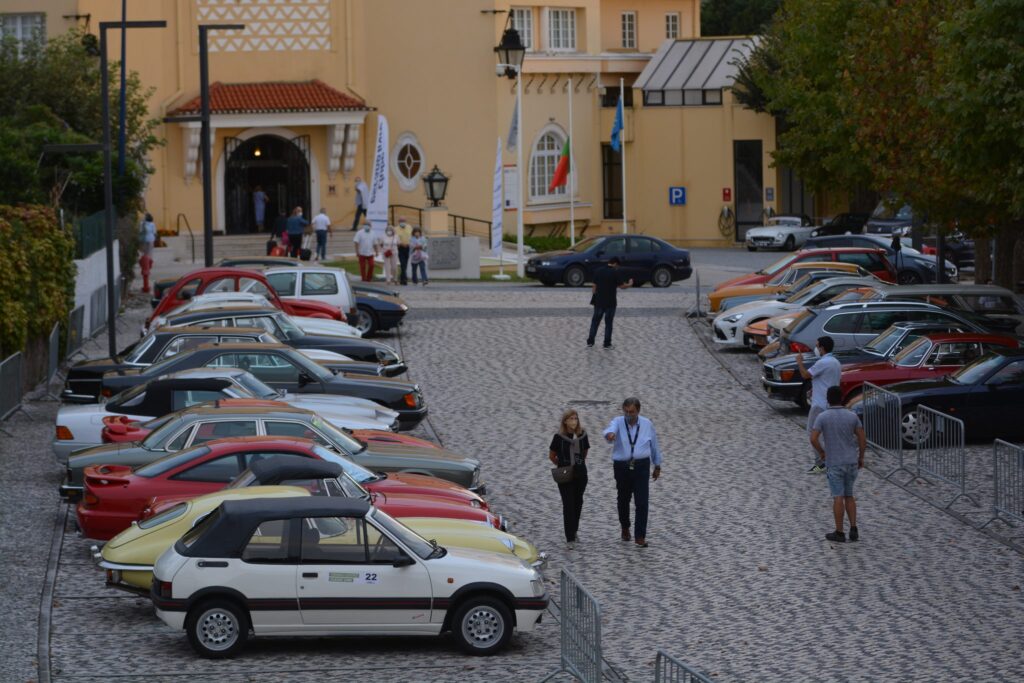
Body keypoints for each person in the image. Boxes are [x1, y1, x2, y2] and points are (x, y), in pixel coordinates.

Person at [603, 397, 662, 548]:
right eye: (626, 411)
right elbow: (609, 430)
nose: (629, 415)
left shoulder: (647, 424)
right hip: (622, 466)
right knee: (623, 499)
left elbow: (654, 444)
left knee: (642, 502)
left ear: (638, 411)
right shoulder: (618, 421)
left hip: (641, 466)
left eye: (632, 412)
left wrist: (657, 465)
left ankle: (640, 536)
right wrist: (610, 435)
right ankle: (625, 527)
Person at [810, 386, 866, 543]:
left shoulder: (822, 417)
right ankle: (853, 528)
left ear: (828, 399)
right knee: (849, 495)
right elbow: (862, 439)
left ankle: (839, 532)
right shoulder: (852, 416)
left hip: (834, 462)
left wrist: (822, 453)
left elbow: (813, 438)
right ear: (842, 398)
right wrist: (861, 457)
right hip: (851, 461)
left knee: (837, 497)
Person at [796, 335, 841, 474]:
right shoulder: (835, 362)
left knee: (813, 433)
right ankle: (831, 460)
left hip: (819, 405)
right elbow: (826, 380)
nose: (816, 349)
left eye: (817, 346)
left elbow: (805, 375)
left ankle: (821, 462)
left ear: (822, 348)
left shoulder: (823, 362)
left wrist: (799, 362)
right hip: (831, 403)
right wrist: (813, 389)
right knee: (828, 434)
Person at [548, 409, 590, 549]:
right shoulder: (558, 438)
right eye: (571, 418)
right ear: (565, 421)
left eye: (575, 418)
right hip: (565, 475)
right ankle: (570, 537)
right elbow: (552, 456)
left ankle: (575, 529)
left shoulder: (582, 436)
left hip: (580, 474)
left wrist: (577, 464)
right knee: (568, 504)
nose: (574, 421)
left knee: (578, 502)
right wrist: (562, 465)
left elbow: (585, 452)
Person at [587, 257, 633, 349]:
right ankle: (607, 344)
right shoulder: (615, 272)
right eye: (618, 266)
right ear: (615, 264)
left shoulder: (598, 271)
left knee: (595, 322)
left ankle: (590, 342)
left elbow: (594, 287)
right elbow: (622, 286)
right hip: (610, 302)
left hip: (599, 302)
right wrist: (630, 284)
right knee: (608, 323)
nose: (617, 268)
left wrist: (596, 297)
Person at [395, 218, 412, 285]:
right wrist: (401, 244)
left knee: (405, 264)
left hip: (408, 247)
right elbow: (395, 238)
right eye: (401, 221)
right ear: (398, 222)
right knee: (402, 263)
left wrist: (409, 244)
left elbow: (411, 236)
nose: (402, 222)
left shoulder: (409, 227)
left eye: (404, 221)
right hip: (400, 248)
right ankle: (404, 279)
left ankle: (402, 278)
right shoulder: (395, 229)